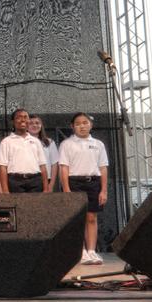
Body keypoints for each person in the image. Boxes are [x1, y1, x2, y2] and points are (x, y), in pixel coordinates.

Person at [58, 113, 109, 265]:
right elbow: (64, 168)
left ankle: (92, 251)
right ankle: (81, 252)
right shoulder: (66, 144)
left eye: (85, 123)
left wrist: (103, 190)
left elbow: (103, 168)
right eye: (78, 123)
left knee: (91, 217)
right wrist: (66, 189)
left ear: (90, 125)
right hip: (75, 183)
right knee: (77, 219)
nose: (82, 126)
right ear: (72, 126)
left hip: (93, 182)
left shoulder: (98, 144)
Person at [0, 108, 50, 193]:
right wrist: (5, 190)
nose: (23, 120)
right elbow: (3, 167)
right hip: (15, 182)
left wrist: (46, 188)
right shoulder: (6, 141)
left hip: (35, 181)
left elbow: (43, 166)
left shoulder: (36, 141)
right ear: (13, 122)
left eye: (25, 117)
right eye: (19, 117)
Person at [28, 114, 57, 192]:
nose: (34, 125)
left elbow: (54, 164)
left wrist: (51, 184)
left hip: (46, 179)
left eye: (37, 123)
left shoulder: (49, 142)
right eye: (31, 123)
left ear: (41, 126)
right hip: (29, 179)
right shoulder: (21, 142)